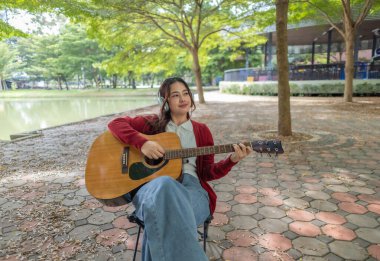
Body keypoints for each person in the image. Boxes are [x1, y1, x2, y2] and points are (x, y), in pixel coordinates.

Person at [108, 77, 252, 261]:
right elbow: (115, 124)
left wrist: (232, 160)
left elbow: (207, 172)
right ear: (165, 101)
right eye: (175, 95)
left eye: (186, 93)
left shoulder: (202, 130)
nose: (183, 98)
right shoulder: (151, 124)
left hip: (192, 189)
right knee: (165, 185)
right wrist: (142, 143)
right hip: (151, 189)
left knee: (160, 217)